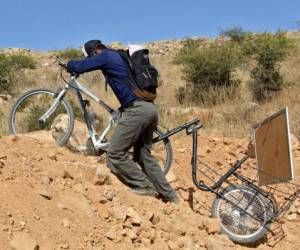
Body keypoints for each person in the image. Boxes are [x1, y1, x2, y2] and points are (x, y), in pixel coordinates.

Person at [67, 40, 179, 204]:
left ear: (94, 51)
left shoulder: (105, 55)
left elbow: (81, 66)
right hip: (149, 110)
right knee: (143, 155)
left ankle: (145, 187)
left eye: (90, 55)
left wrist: (68, 64)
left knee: (115, 153)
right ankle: (171, 197)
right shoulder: (120, 56)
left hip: (137, 111)